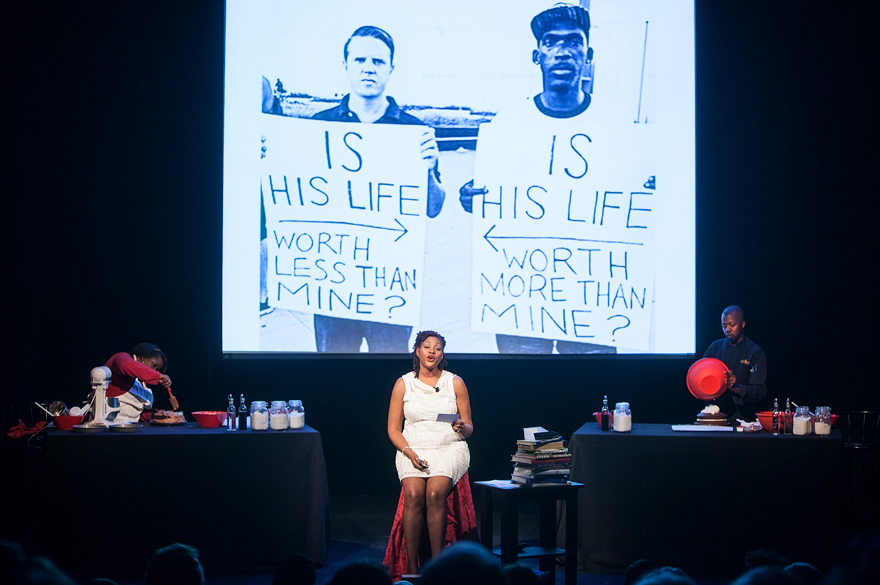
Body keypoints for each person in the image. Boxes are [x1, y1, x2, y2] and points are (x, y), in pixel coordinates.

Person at [459, 2, 617, 355]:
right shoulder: (506, 125)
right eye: (551, 42)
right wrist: (469, 196)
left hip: (590, 296)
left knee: (591, 398)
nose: (563, 51)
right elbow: (488, 194)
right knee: (524, 391)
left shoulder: (617, 125)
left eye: (574, 41)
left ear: (587, 54)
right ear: (537, 55)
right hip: (524, 294)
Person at [310, 25, 446, 353]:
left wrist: (429, 170)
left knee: (389, 383)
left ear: (390, 68)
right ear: (346, 66)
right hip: (333, 283)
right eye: (359, 59)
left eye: (377, 61)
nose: (368, 67)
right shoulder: (317, 126)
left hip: (388, 285)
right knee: (332, 376)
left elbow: (434, 206)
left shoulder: (413, 131)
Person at [387, 330, 472, 575]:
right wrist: (409, 452)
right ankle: (412, 568)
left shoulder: (454, 382)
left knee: (435, 493)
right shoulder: (403, 384)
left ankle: (437, 567)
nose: (432, 351)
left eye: (437, 347)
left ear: (442, 354)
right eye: (427, 346)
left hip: (448, 447)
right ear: (417, 351)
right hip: (412, 448)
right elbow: (393, 429)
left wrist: (461, 427)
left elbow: (469, 426)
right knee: (413, 494)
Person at [702, 306, 767, 421]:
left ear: (743, 324)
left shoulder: (755, 352)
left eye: (732, 325)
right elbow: (700, 373)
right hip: (714, 415)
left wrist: (735, 387)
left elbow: (759, 392)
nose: (727, 329)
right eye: (724, 326)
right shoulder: (715, 348)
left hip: (742, 418)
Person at [103, 342, 173, 423]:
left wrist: (153, 414)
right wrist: (156, 376)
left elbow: (136, 414)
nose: (154, 371)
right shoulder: (122, 357)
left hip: (131, 429)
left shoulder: (142, 384)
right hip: (108, 428)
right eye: (154, 365)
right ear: (141, 358)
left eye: (157, 370)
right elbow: (125, 365)